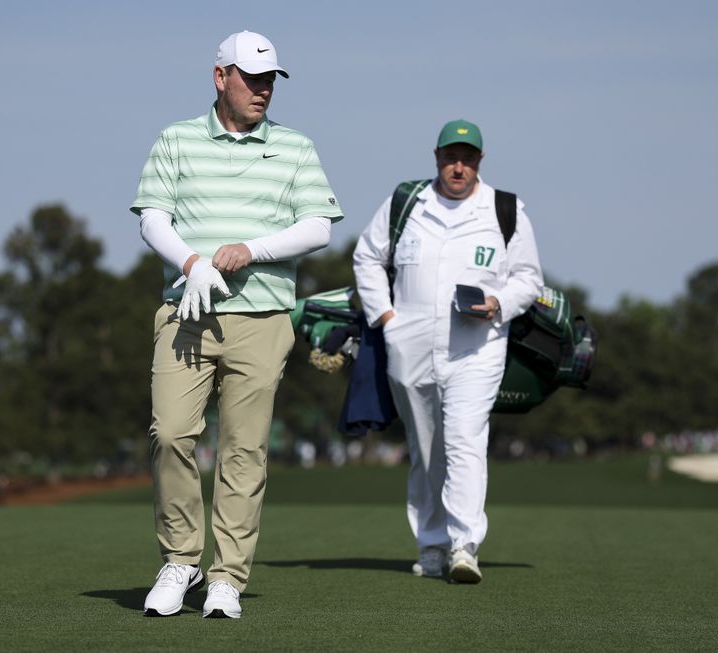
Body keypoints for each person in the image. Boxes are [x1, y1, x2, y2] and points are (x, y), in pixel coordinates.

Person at [130, 30, 344, 618]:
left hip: (264, 316)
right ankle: (181, 561)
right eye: (252, 79)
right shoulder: (175, 140)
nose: (263, 90)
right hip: (187, 312)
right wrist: (192, 262)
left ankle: (225, 577)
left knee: (244, 450)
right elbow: (153, 218)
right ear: (220, 76)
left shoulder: (295, 147)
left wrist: (250, 248)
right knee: (170, 433)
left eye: (271, 79)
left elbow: (318, 227)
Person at [351, 120, 543, 583]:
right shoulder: (406, 202)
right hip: (409, 345)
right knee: (425, 450)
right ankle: (431, 545)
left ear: (481, 160)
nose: (459, 167)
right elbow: (367, 257)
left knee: (464, 441)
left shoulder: (505, 210)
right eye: (451, 157)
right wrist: (386, 319)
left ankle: (464, 545)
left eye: (468, 158)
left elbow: (529, 278)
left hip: (477, 348)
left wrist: (499, 302)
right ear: (436, 156)